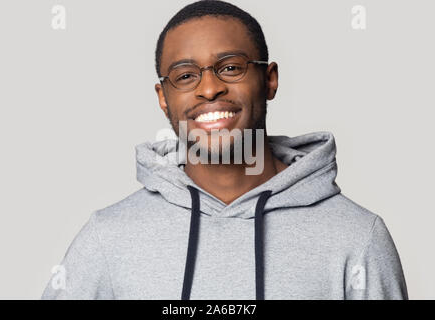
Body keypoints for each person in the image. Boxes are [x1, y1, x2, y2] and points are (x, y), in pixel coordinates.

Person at [41, 0, 408, 300]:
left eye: (230, 67)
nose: (209, 88)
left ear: (269, 80)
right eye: (185, 76)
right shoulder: (108, 237)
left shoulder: (358, 237)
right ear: (163, 99)